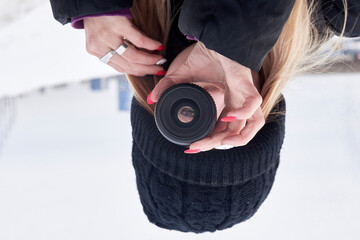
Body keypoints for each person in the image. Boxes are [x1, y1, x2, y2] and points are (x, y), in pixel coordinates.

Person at [49, 0, 360, 233]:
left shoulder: (117, 13)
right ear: (260, 111)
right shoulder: (344, 8)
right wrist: (232, 39)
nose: (208, 104)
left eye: (186, 117)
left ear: (152, 104)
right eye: (226, 122)